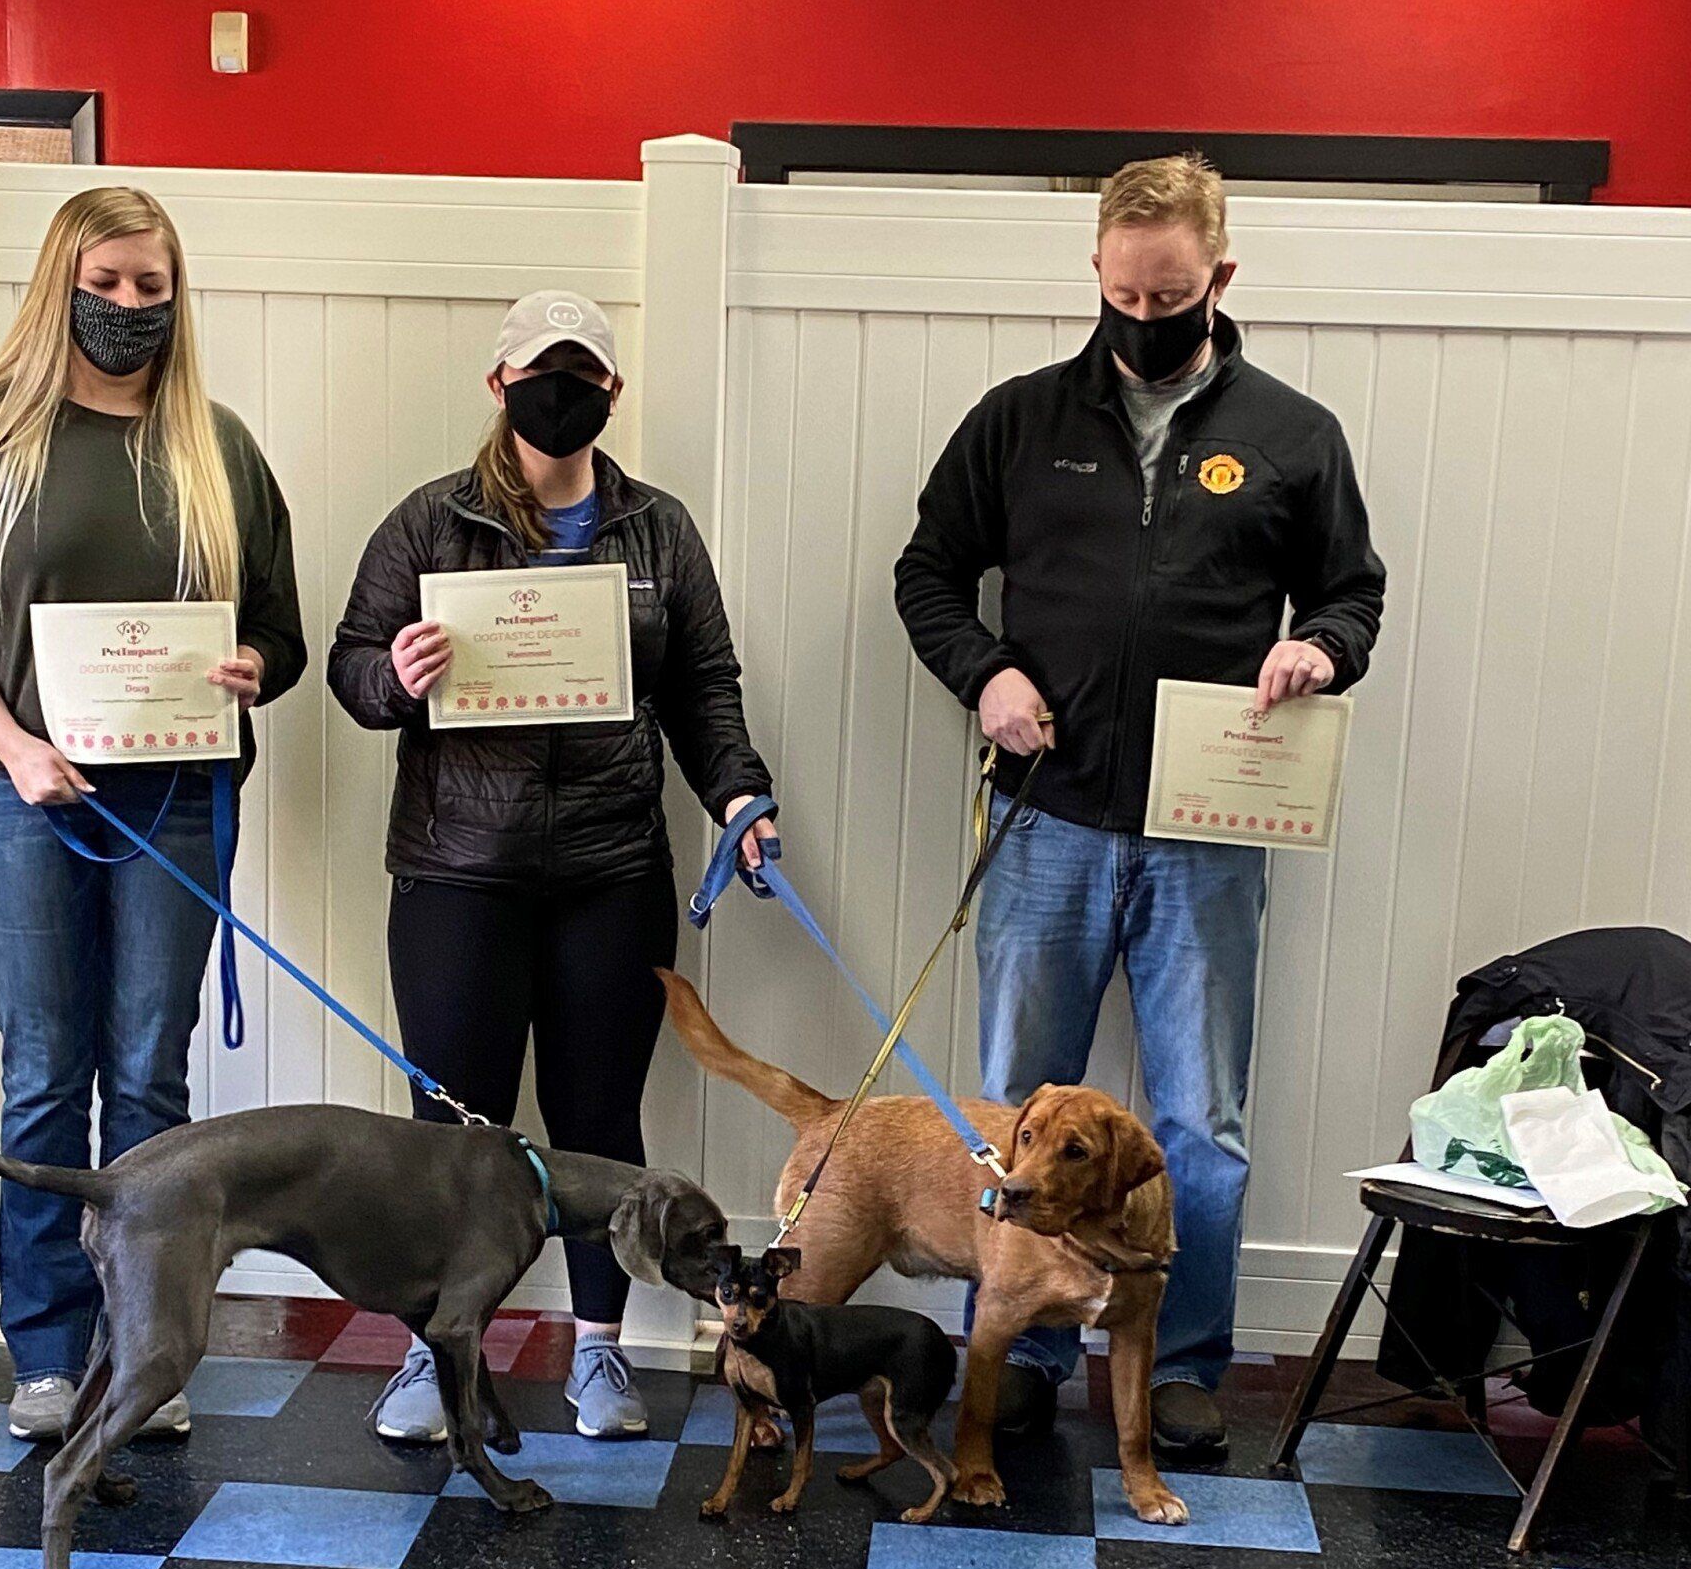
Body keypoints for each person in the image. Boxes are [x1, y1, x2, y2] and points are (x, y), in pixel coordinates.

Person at [895, 154, 1384, 1458]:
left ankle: (1179, 1357)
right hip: (1045, 821)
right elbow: (929, 575)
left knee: (1197, 1126)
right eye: (1124, 290)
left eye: (1170, 293)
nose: (1145, 314)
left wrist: (1321, 652)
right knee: (1018, 1111)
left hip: (1212, 835)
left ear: (1219, 280)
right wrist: (985, 671)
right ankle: (1029, 1336)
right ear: (1098, 275)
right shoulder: (1018, 419)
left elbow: (1353, 593)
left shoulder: (1294, 436)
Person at [0, 184, 307, 1441]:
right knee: (42, 1070)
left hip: (174, 793)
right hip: (12, 794)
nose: (131, 307)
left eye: (152, 286)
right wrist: (13, 747)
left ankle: (142, 1355)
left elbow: (278, 626)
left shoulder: (217, 449)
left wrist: (253, 671)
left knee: (147, 1074)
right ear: (61, 283)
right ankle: (45, 1356)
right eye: (109, 283)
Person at [329, 289, 776, 1441]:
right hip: (455, 873)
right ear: (499, 384)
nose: (560, 391)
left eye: (583, 373)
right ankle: (434, 1360)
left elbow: (703, 687)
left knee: (595, 1123)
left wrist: (739, 794)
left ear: (611, 394)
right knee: (448, 1133)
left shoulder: (659, 529)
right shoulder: (429, 520)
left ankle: (599, 1356)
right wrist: (399, 677)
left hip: (611, 872)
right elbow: (350, 669)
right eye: (541, 371)